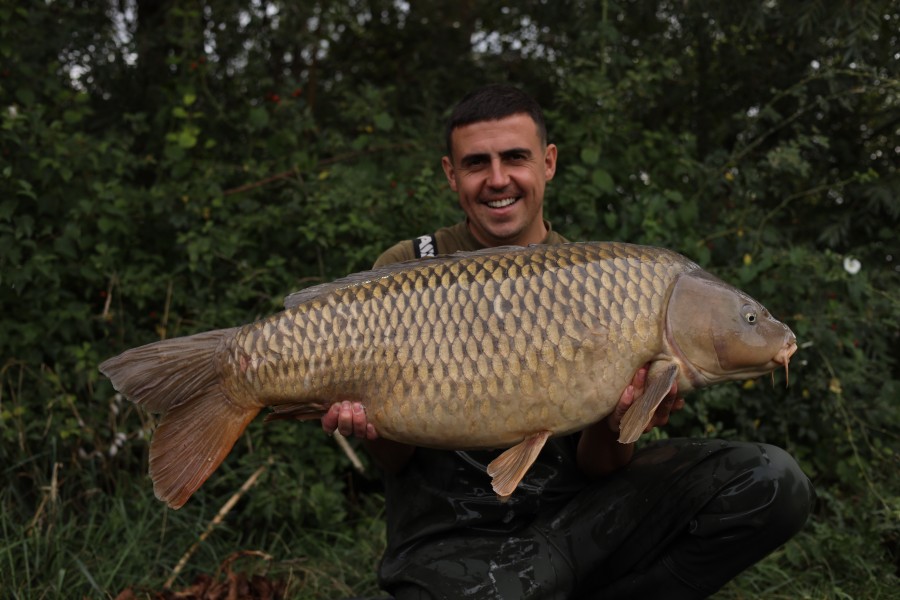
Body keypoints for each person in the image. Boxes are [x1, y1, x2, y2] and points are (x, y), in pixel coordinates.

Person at [322, 84, 814, 599]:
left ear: (548, 162)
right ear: (451, 173)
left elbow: (601, 465)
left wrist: (622, 417)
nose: (497, 179)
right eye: (476, 163)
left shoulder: (601, 278)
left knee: (772, 482)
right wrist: (370, 424)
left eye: (515, 158)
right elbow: (396, 463)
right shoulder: (403, 270)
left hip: (578, 520)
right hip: (450, 542)